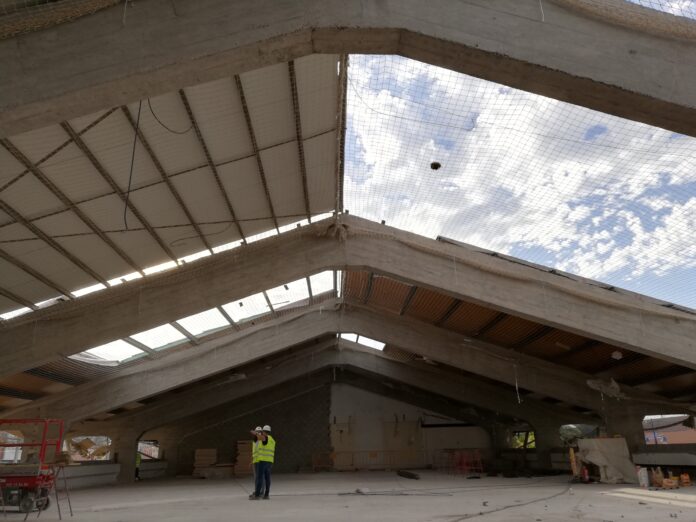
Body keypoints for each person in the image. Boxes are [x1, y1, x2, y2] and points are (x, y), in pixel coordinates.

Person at [249, 425, 275, 500]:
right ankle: (266, 495)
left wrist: (255, 433)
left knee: (259, 478)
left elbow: (262, 438)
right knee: (267, 478)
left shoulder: (265, 437)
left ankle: (257, 495)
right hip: (269, 461)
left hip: (263, 461)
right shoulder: (272, 440)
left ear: (264, 432)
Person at [249, 426, 263, 494]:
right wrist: (252, 460)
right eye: (257, 432)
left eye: (259, 432)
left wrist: (256, 433)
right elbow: (254, 452)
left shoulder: (261, 440)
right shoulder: (255, 441)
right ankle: (257, 490)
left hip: (260, 461)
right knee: (256, 478)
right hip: (255, 461)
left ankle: (260, 491)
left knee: (260, 477)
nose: (257, 433)